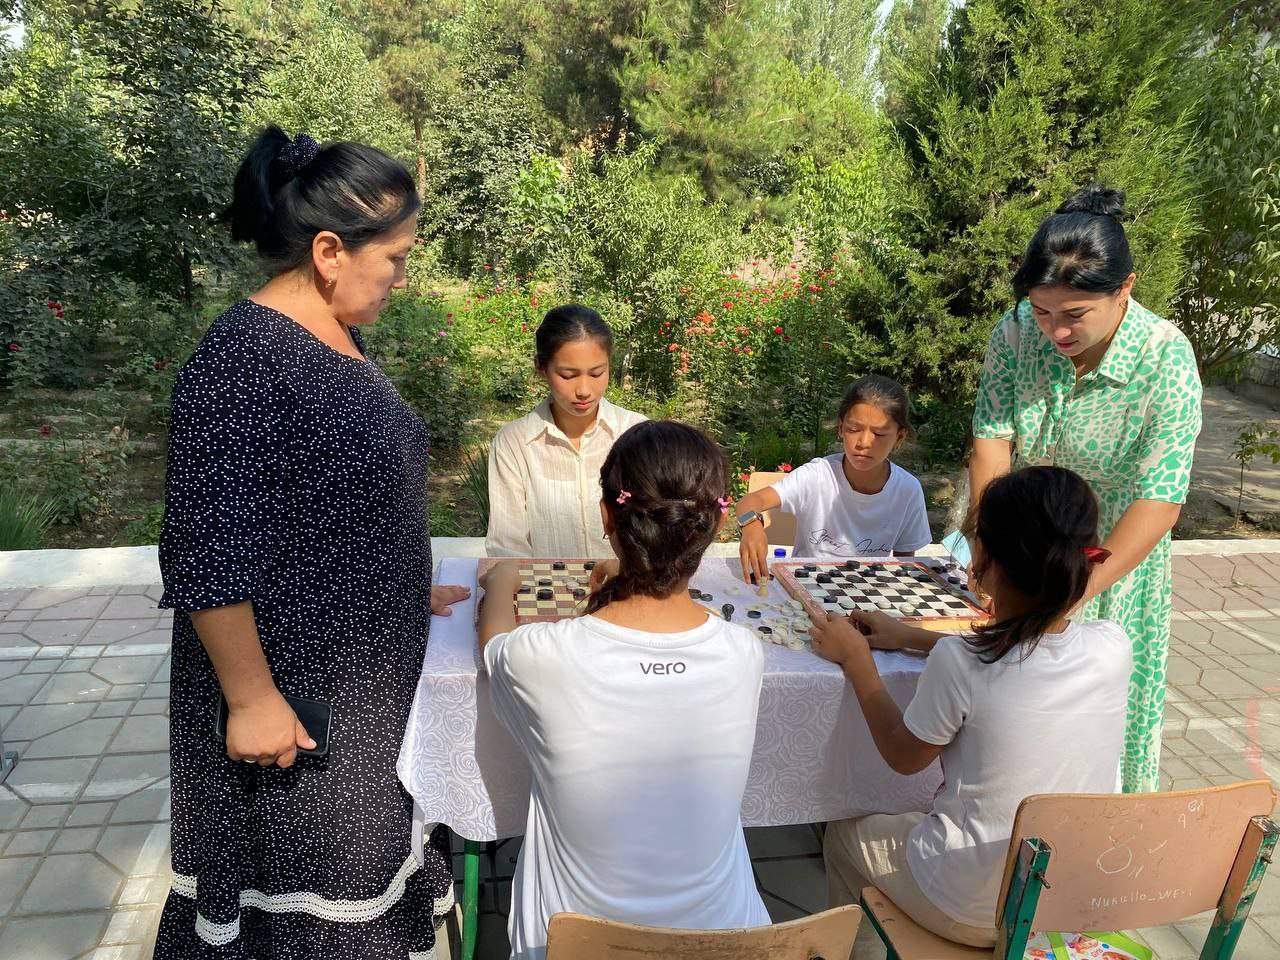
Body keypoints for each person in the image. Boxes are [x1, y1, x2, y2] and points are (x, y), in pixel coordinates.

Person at [155, 127, 467, 960]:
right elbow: (205, 551)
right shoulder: (243, 358)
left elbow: (328, 493)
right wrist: (253, 700)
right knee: (308, 920)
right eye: (395, 259)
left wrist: (401, 579)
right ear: (330, 250)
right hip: (295, 704)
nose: (403, 277)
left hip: (354, 685)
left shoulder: (335, 333)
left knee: (358, 887)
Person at [478, 421, 770, 960]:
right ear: (713, 524)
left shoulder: (541, 656)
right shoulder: (744, 654)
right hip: (731, 942)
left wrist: (500, 583)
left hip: (567, 947)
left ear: (607, 515)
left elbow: (494, 642)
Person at [812, 466, 1131, 947]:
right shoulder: (1114, 646)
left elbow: (903, 757)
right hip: (1070, 896)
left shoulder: (960, 661)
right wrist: (914, 637)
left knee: (842, 833)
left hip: (971, 904)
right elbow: (1016, 649)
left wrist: (858, 661)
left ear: (984, 559)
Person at [969, 184, 1203, 793]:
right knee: (989, 710)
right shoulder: (1016, 333)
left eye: (1074, 315)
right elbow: (993, 439)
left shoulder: (1165, 358)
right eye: (1043, 311)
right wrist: (984, 546)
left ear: (1124, 289)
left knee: (1082, 740)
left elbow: (1161, 498)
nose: (1055, 332)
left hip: (1108, 568)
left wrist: (1078, 587)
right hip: (1018, 551)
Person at [735, 375, 931, 583]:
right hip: (805, 589)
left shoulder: (908, 490)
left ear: (899, 438)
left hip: (870, 597)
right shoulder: (817, 476)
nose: (864, 442)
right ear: (840, 428)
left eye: (879, 434)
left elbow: (904, 566)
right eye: (853, 429)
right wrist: (751, 525)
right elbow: (749, 502)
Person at [486, 304, 646, 557]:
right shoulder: (515, 443)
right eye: (568, 375)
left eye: (596, 373)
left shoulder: (637, 434)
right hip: (544, 590)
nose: (584, 389)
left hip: (626, 590)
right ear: (541, 367)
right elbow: (508, 546)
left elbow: (657, 528)